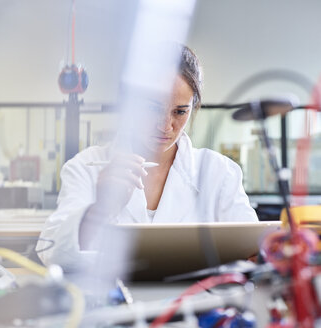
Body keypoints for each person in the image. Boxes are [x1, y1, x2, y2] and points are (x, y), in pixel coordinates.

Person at [37, 45, 258, 270]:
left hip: (195, 301)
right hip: (112, 302)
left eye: (180, 112)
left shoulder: (219, 173)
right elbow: (51, 252)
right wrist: (99, 209)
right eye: (153, 108)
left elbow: (256, 250)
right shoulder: (86, 167)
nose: (165, 126)